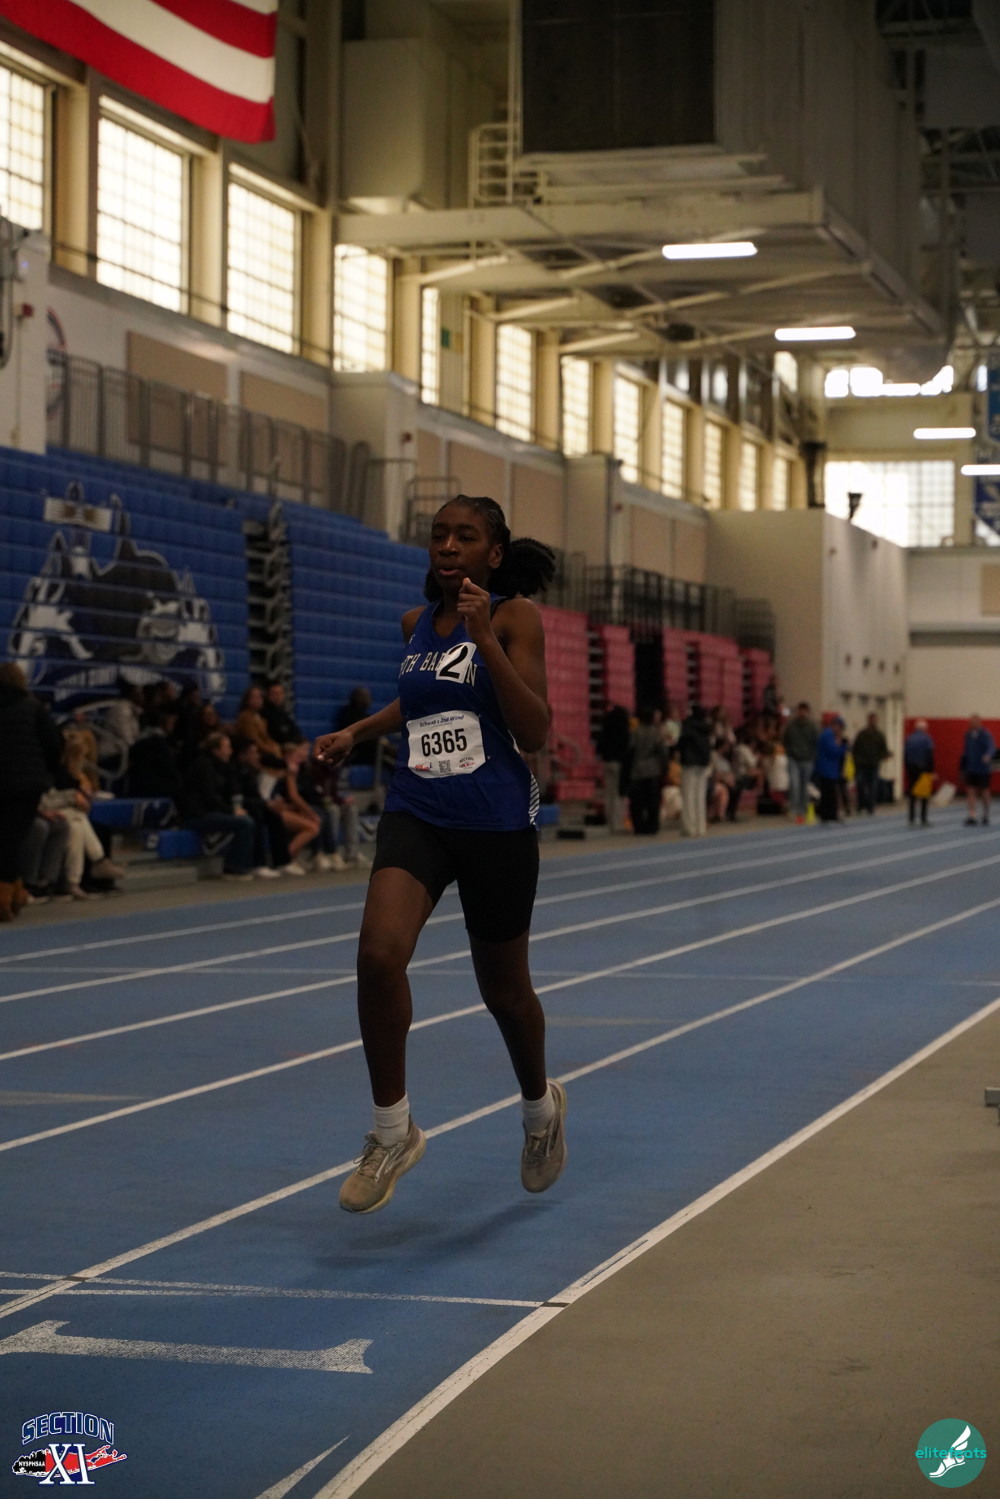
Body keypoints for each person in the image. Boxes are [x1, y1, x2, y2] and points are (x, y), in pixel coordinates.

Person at [314, 494, 566, 1215]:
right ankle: (393, 1132)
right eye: (439, 535)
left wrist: (486, 638)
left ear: (494, 552)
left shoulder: (515, 618)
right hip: (419, 808)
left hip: (495, 821)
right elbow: (422, 702)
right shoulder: (415, 625)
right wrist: (358, 731)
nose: (448, 546)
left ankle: (540, 1109)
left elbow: (534, 730)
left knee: (505, 993)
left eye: (466, 536)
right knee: (377, 954)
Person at [0, 663, 65, 920]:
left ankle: (14, 891)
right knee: (13, 841)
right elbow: (54, 746)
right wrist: (44, 772)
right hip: (26, 786)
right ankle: (6, 896)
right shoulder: (33, 707)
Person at [176, 730, 258, 879]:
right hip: (197, 814)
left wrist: (234, 808)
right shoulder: (203, 766)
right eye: (226, 747)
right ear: (215, 750)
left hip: (209, 811)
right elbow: (209, 797)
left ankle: (247, 863)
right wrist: (231, 811)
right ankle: (233, 867)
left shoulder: (222, 767)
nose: (230, 751)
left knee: (251, 816)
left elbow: (228, 792)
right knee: (245, 823)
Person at [269, 742, 322, 874]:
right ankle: (286, 859)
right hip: (274, 810)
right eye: (295, 756)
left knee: (313, 824)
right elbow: (294, 796)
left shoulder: (295, 771)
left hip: (282, 808)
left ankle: (293, 858)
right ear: (287, 757)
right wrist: (310, 813)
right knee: (312, 827)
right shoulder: (288, 771)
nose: (299, 759)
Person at [627, 706, 666, 835]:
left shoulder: (635, 732)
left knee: (637, 801)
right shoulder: (656, 733)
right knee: (652, 801)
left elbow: (630, 750)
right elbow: (662, 751)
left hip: (637, 770)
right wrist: (664, 767)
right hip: (652, 769)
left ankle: (638, 826)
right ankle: (652, 825)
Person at [677, 703, 712, 837]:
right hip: (702, 763)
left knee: (688, 795)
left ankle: (689, 827)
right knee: (700, 796)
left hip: (689, 763)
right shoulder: (706, 727)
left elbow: (681, 743)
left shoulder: (687, 726)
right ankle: (700, 827)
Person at [595, 702, 631, 833]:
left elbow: (599, 746)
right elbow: (627, 748)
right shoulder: (624, 730)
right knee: (617, 794)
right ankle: (617, 823)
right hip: (619, 763)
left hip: (607, 762)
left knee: (609, 793)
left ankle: (610, 821)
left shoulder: (606, 728)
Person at [783, 701, 818, 824]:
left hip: (807, 760)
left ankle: (803, 809)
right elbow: (785, 740)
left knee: (804, 786)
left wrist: (812, 756)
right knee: (795, 784)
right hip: (794, 759)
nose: (802, 713)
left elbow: (816, 742)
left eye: (804, 711)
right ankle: (794, 809)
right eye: (800, 710)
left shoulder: (812, 726)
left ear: (807, 712)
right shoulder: (791, 725)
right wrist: (789, 752)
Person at [234, 685, 284, 769]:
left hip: (263, 750)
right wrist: (271, 749)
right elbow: (254, 739)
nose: (258, 700)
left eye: (260, 697)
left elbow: (266, 738)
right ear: (247, 700)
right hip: (253, 752)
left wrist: (275, 746)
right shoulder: (246, 717)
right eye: (254, 697)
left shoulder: (260, 718)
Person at [852, 711, 890, 816]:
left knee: (872, 787)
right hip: (861, 764)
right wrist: (857, 761)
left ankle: (871, 807)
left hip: (874, 764)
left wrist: (883, 756)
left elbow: (884, 749)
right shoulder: (861, 734)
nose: (873, 721)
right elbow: (855, 748)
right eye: (871, 719)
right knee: (860, 785)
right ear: (868, 720)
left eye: (874, 720)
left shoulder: (880, 735)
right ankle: (861, 805)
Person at [960, 714, 995, 826]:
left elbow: (991, 747)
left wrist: (988, 755)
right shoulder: (968, 735)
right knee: (970, 791)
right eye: (971, 722)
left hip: (983, 769)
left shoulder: (985, 734)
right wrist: (963, 767)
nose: (972, 724)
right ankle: (972, 815)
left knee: (984, 792)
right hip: (971, 768)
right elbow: (965, 751)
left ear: (979, 722)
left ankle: (986, 814)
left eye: (974, 722)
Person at [903, 718, 935, 828]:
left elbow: (905, 755)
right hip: (923, 769)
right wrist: (931, 770)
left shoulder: (909, 739)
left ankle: (911, 818)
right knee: (924, 795)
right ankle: (923, 818)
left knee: (912, 794)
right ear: (924, 728)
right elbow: (929, 754)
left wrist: (907, 767)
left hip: (911, 768)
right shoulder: (927, 739)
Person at [814, 716, 846, 823]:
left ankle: (828, 814)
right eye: (840, 728)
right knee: (829, 792)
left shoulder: (828, 735)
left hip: (830, 768)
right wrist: (843, 747)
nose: (840, 731)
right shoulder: (828, 735)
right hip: (827, 768)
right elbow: (833, 751)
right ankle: (828, 815)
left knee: (829, 792)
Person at [262, 681, 303, 746]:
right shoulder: (263, 714)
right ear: (267, 695)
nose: (277, 697)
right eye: (274, 694)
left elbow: (296, 732)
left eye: (280, 693)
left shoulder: (283, 714)